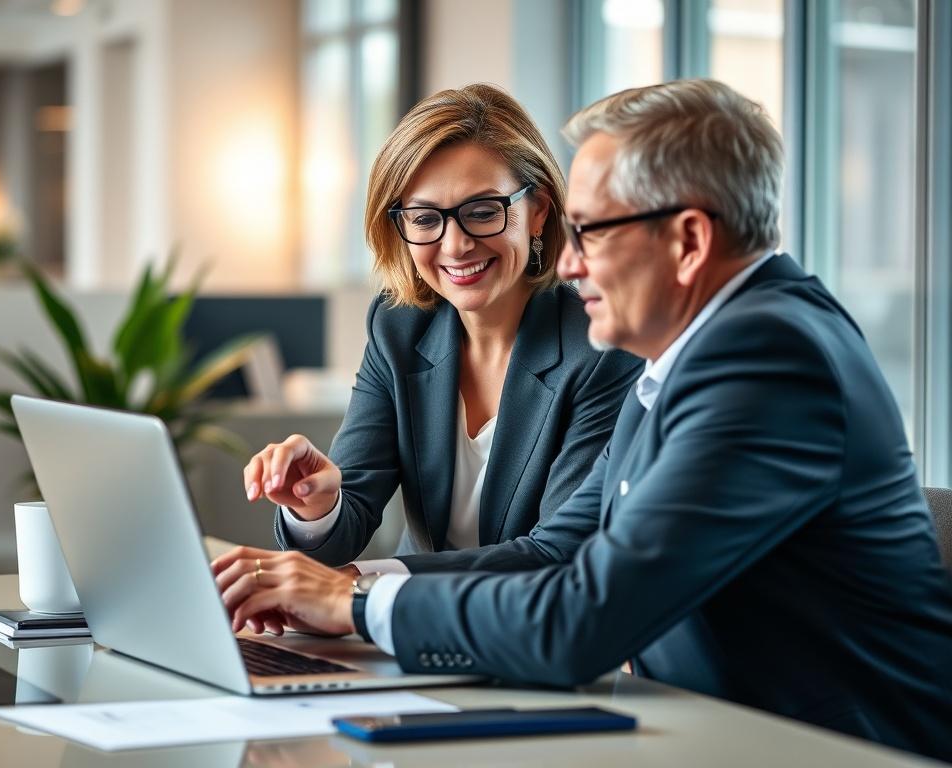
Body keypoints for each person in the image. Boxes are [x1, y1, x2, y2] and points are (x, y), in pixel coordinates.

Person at [213, 80, 952, 760]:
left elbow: (580, 616)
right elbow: (558, 557)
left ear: (689, 241)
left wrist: (355, 600)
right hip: (702, 732)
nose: (567, 264)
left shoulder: (765, 359)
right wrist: (336, 590)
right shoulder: (685, 357)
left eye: (590, 232)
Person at [239, 84, 641, 570]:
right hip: (399, 627)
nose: (455, 246)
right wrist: (315, 505)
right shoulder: (399, 327)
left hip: (515, 632)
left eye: (482, 212)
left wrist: (366, 589)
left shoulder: (600, 347)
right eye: (425, 218)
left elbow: (556, 558)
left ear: (538, 212)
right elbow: (343, 531)